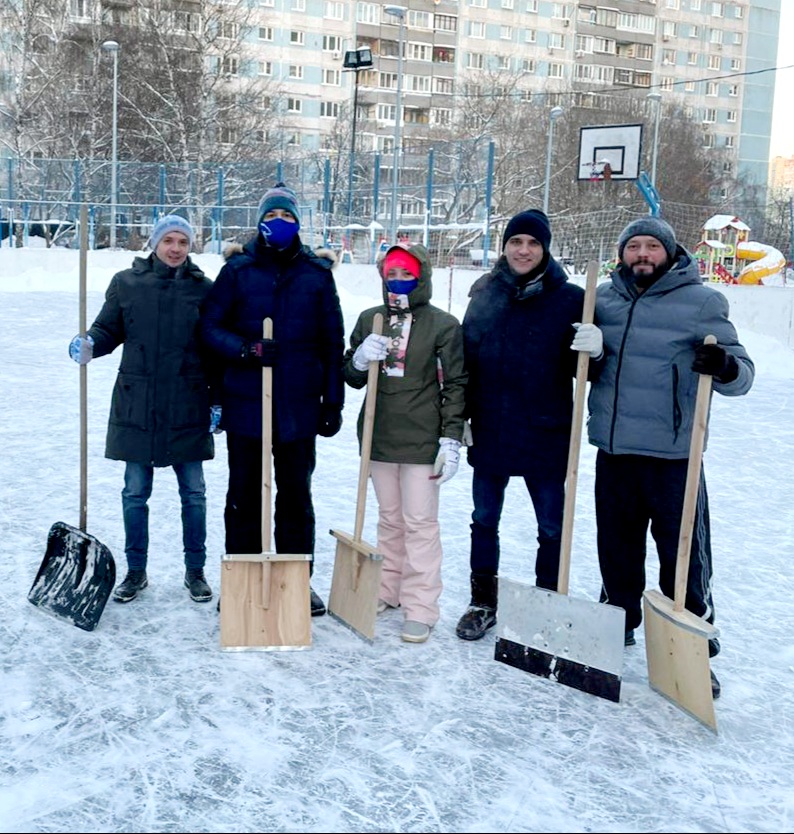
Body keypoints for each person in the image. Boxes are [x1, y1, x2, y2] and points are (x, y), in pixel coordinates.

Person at [583, 216, 755, 699]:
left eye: (650, 247)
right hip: (614, 448)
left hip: (674, 454)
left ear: (669, 252)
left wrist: (723, 365)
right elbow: (585, 368)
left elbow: (743, 375)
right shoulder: (604, 300)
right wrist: (590, 357)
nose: (641, 254)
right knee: (616, 548)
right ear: (622, 253)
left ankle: (694, 642)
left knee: (682, 557)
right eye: (633, 246)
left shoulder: (702, 302)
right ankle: (619, 621)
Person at [199, 182, 344, 617]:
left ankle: (298, 578)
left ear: (298, 224)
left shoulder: (316, 276)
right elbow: (209, 328)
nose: (279, 225)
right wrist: (246, 349)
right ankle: (241, 576)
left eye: (287, 218)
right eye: (272, 217)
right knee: (244, 494)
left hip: (298, 407)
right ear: (260, 222)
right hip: (247, 405)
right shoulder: (238, 272)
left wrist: (332, 401)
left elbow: (331, 343)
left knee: (295, 496)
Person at [455, 209, 594, 641]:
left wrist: (597, 349)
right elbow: (466, 362)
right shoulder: (485, 294)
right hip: (492, 425)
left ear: (545, 249)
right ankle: (483, 601)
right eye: (516, 242)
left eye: (533, 243)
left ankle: (546, 601)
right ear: (505, 247)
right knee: (483, 519)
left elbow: (587, 370)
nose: (524, 250)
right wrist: (460, 417)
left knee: (551, 525)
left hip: (546, 430)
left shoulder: (571, 299)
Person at [68, 214, 218, 604]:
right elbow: (108, 330)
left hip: (188, 403)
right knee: (135, 492)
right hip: (139, 404)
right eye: (168, 240)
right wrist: (89, 344)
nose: (175, 249)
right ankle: (136, 572)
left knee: (195, 493)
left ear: (190, 247)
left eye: (182, 242)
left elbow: (214, 351)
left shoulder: (204, 290)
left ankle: (195, 571)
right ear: (154, 243)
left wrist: (219, 400)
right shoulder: (126, 284)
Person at [343, 243, 466, 644]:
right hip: (379, 436)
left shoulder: (442, 325)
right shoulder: (369, 319)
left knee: (420, 524)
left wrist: (451, 437)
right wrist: (360, 359)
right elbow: (352, 376)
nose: (398, 281)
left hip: (422, 441)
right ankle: (387, 588)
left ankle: (422, 605)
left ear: (422, 276)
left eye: (406, 273)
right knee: (390, 518)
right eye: (391, 274)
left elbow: (456, 385)